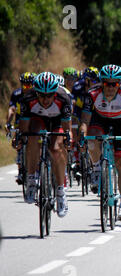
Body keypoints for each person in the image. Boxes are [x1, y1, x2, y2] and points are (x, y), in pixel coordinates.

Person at [79, 64, 121, 221]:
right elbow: (85, 119)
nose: (110, 87)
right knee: (92, 137)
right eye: (107, 84)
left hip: (120, 122)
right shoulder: (92, 94)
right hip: (100, 119)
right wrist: (82, 136)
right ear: (102, 82)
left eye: (114, 84)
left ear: (119, 84)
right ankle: (97, 167)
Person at [19, 72, 72, 217]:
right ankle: (31, 179)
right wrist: (20, 139)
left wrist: (68, 140)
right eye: (41, 95)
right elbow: (24, 127)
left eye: (49, 95)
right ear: (36, 92)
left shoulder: (63, 97)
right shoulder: (27, 98)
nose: (45, 99)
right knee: (32, 137)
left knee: (56, 150)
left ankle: (61, 192)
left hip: (56, 122)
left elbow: (67, 127)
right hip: (38, 120)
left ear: (55, 93)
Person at [5, 72, 36, 185]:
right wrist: (8, 122)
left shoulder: (37, 94)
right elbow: (11, 109)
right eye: (24, 85)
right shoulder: (16, 94)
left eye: (29, 85)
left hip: (33, 121)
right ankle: (20, 169)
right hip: (20, 121)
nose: (26, 88)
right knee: (19, 142)